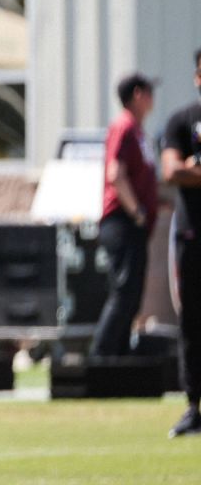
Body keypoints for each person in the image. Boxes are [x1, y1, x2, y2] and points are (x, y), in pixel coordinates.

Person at [90, 72, 158, 358]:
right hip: (122, 221)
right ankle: (102, 355)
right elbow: (115, 174)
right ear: (138, 94)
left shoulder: (138, 131)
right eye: (149, 92)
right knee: (124, 290)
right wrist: (138, 211)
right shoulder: (124, 126)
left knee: (133, 295)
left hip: (134, 223)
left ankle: (118, 358)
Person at [162, 49, 201, 438]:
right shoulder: (181, 121)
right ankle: (194, 406)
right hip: (193, 236)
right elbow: (172, 170)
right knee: (192, 323)